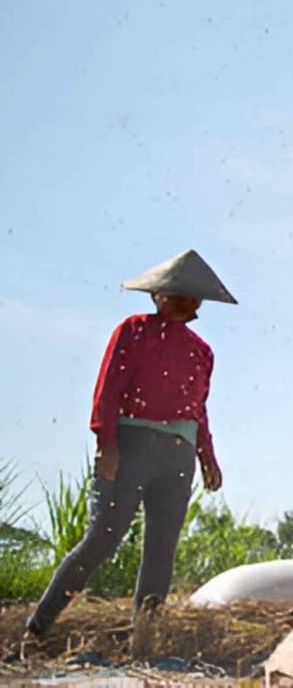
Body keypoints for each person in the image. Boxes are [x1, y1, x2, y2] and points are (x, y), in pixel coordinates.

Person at [26, 250, 235, 639]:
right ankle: (36, 629)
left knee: (161, 549)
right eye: (174, 294)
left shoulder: (201, 351)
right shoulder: (133, 330)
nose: (182, 302)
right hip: (131, 445)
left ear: (199, 303)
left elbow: (197, 410)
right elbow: (108, 390)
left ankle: (143, 639)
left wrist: (208, 458)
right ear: (157, 296)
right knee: (102, 538)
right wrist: (107, 445)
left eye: (190, 296)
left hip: (178, 455)